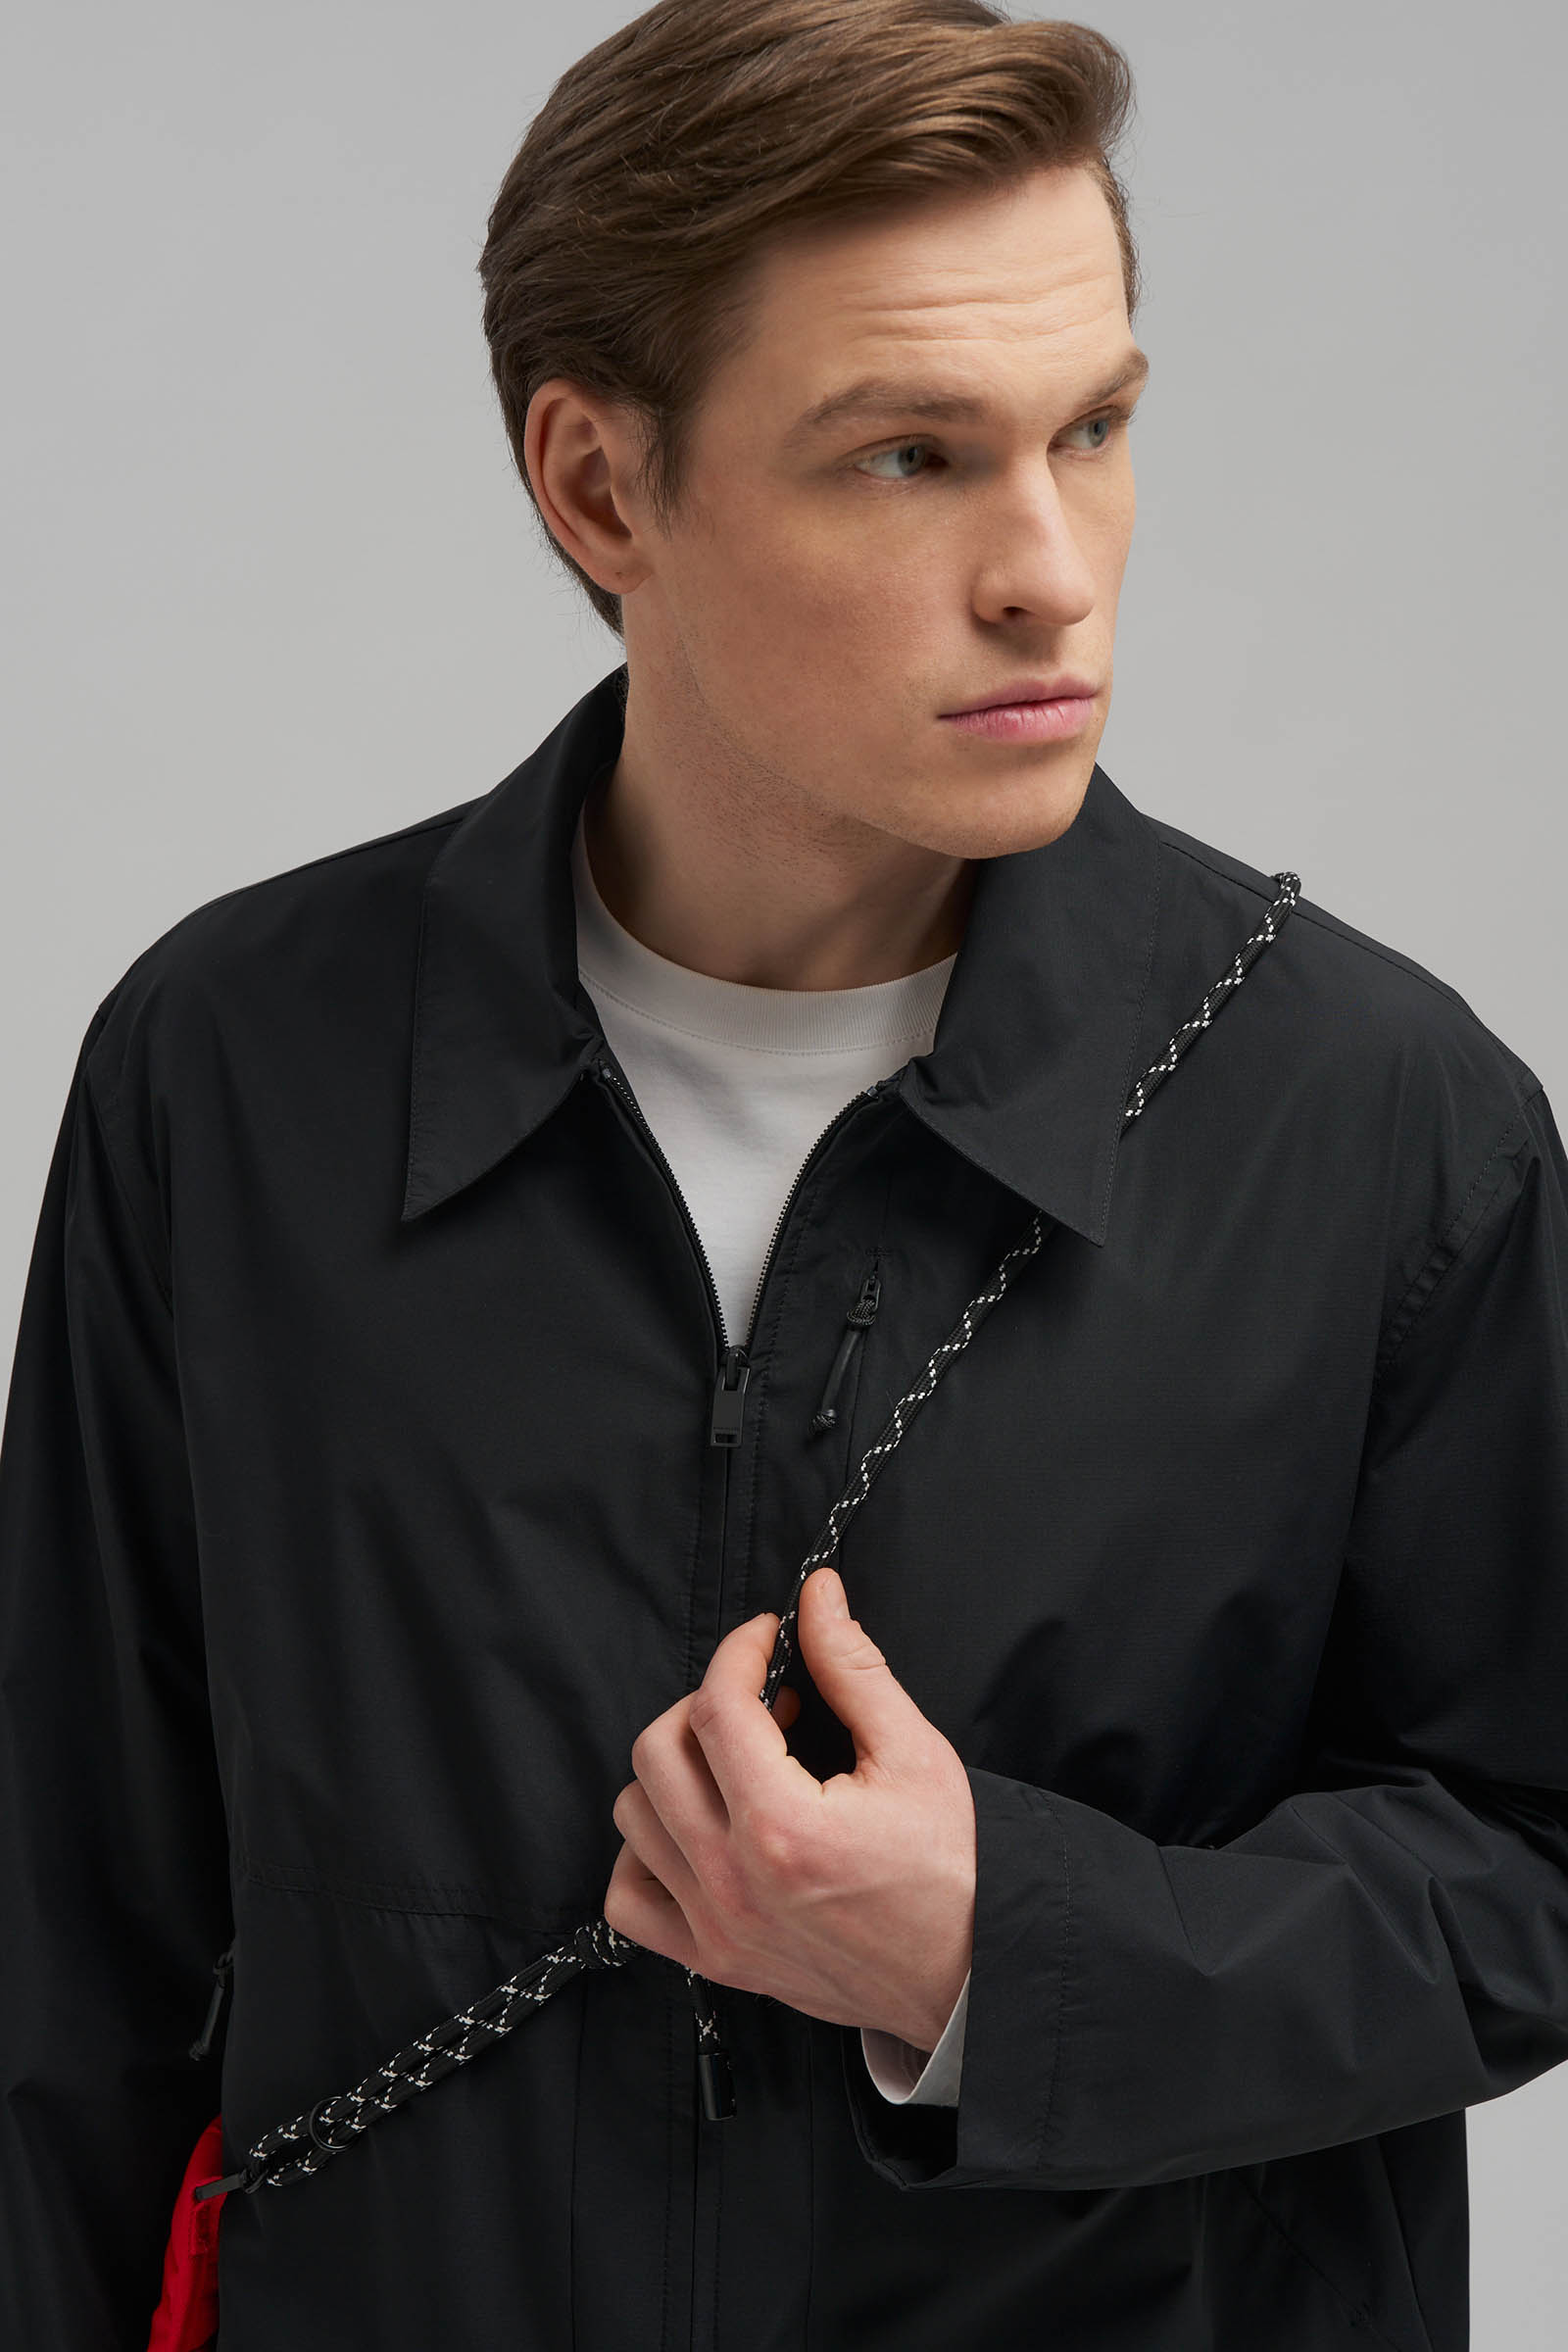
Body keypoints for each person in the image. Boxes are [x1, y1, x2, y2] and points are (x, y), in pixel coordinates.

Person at [3, 2, 1566, 2346]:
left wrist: (994, 1953)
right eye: (907, 456)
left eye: (1092, 430)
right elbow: (68, 1944)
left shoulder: (1383, 1121)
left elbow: (1525, 1863)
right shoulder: (231, 1073)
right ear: (597, 489)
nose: (1049, 571)